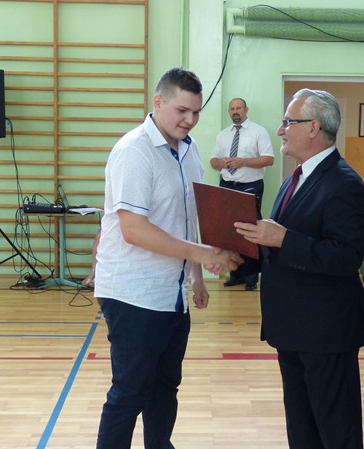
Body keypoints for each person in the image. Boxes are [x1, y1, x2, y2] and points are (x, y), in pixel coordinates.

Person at [94, 67, 243, 449]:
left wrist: (196, 276)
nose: (189, 119)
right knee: (130, 391)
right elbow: (134, 229)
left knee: (165, 387)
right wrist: (203, 254)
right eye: (181, 110)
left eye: (196, 112)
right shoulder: (134, 151)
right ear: (157, 102)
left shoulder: (189, 150)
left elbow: (187, 218)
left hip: (172, 295)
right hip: (134, 292)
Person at [235, 89, 364, 449]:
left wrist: (283, 239)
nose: (280, 130)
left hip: (326, 333)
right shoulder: (296, 178)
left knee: (336, 433)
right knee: (302, 430)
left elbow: (346, 257)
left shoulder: (344, 183)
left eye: (287, 122)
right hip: (292, 328)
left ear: (313, 128)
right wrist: (241, 251)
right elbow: (280, 245)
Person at [210, 97, 274, 291]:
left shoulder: (258, 132)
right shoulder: (223, 135)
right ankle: (235, 275)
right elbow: (213, 161)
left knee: (250, 230)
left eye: (238, 108)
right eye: (232, 109)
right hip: (227, 185)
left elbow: (269, 159)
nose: (235, 111)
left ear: (246, 110)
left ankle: (251, 277)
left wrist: (243, 162)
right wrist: (221, 163)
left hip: (250, 186)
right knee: (229, 231)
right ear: (229, 112)